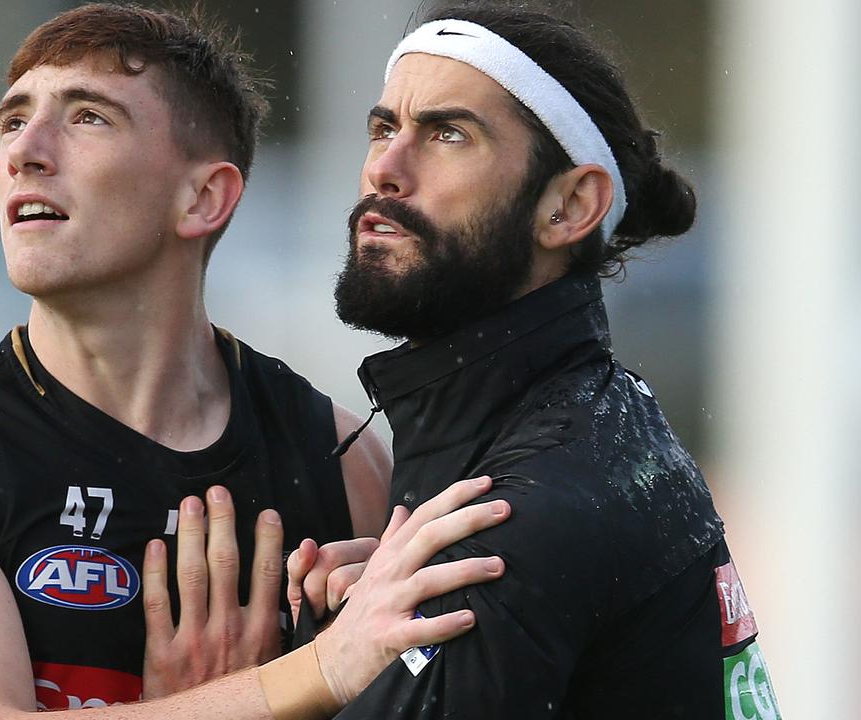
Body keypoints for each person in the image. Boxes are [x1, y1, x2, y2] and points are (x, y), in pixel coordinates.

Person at [0, 4, 509, 719]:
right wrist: (305, 679)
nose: (27, 150)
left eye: (88, 117)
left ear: (204, 197)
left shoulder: (346, 466)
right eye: (13, 121)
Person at [313, 3, 782, 718]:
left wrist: (268, 683)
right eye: (384, 128)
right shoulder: (586, 421)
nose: (386, 168)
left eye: (446, 134)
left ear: (569, 207)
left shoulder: (507, 519)